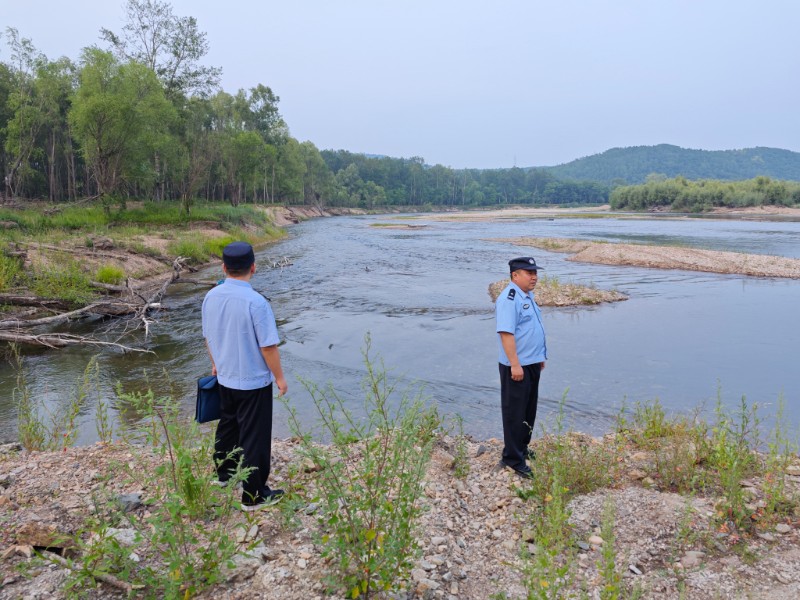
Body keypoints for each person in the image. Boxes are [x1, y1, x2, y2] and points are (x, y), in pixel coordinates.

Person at [202, 241, 288, 510]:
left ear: (224, 267)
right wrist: (280, 378)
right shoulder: (257, 302)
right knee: (255, 435)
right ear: (253, 267)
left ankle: (224, 474)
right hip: (253, 381)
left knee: (228, 425)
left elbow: (209, 335)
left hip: (225, 375)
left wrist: (216, 364)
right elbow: (268, 346)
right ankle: (253, 496)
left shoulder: (211, 295)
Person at [496, 256, 547, 478]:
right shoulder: (509, 298)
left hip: (532, 362)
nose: (534, 276)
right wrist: (515, 364)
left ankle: (522, 448)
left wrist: (539, 357)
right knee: (514, 412)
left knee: (528, 409)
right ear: (515, 275)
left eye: (535, 272)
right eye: (529, 272)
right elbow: (506, 333)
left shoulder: (527, 295)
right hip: (517, 367)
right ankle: (512, 459)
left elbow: (530, 330)